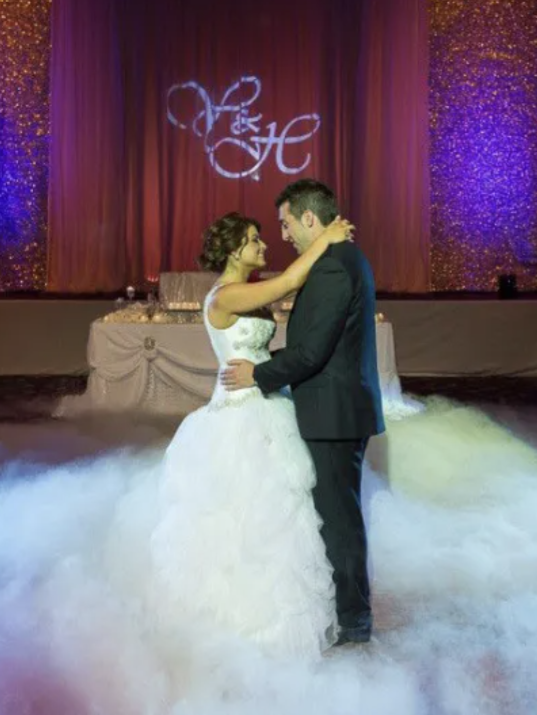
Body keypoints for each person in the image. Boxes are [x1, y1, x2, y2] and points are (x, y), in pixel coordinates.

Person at [143, 209, 356, 658]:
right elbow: (285, 284)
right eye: (255, 240)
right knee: (242, 519)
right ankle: (240, 624)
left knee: (282, 515)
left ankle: (285, 614)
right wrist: (327, 238)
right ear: (234, 249)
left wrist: (268, 367)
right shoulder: (225, 295)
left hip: (268, 405)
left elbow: (259, 342)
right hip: (238, 417)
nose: (264, 246)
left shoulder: (247, 296)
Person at [220, 179, 384, 646]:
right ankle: (345, 612)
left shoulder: (334, 266)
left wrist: (259, 373)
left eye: (286, 223)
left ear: (308, 218)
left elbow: (312, 352)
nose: (283, 234)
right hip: (336, 408)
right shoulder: (337, 259)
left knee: (339, 520)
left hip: (334, 413)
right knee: (336, 515)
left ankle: (354, 622)